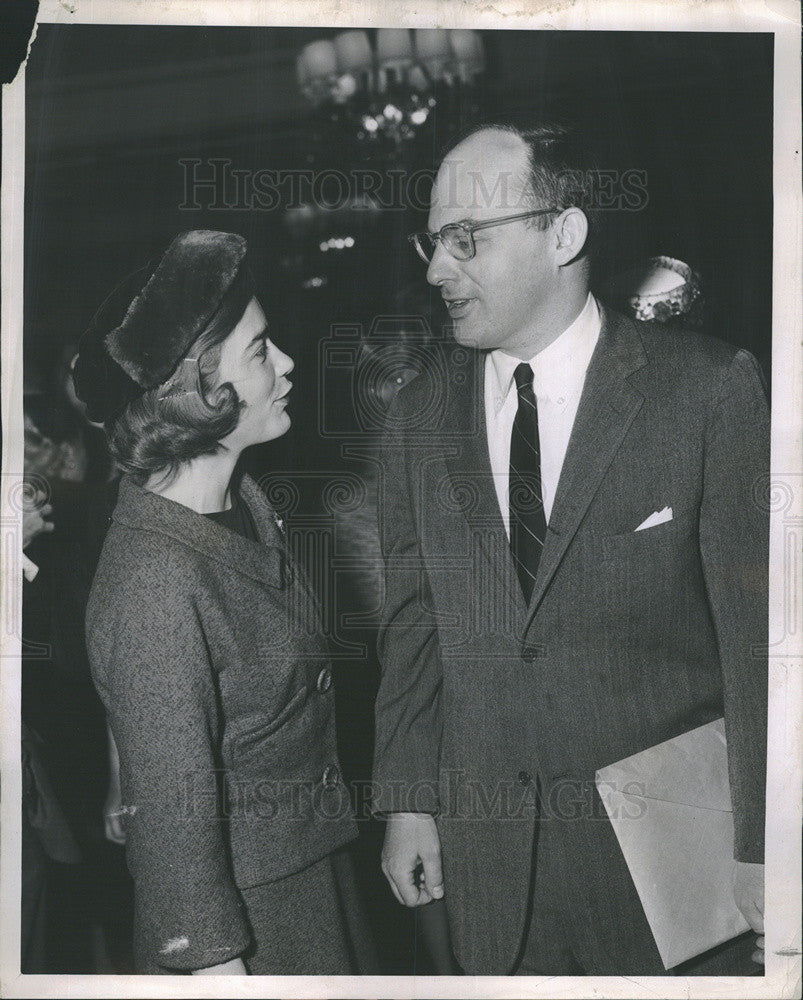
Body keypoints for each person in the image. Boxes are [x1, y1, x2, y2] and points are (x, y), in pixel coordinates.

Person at [372, 123, 768, 975]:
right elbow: (413, 625)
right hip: (490, 870)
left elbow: (761, 643)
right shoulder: (415, 417)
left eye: (464, 239)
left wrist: (766, 842)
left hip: (675, 871)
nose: (436, 269)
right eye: (432, 241)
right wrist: (407, 801)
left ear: (564, 233)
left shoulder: (705, 390)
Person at [72, 230, 375, 975]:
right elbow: (173, 823)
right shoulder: (155, 581)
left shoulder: (243, 501)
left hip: (306, 869)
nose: (288, 364)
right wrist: (214, 964)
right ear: (198, 393)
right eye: (262, 350)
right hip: (247, 920)